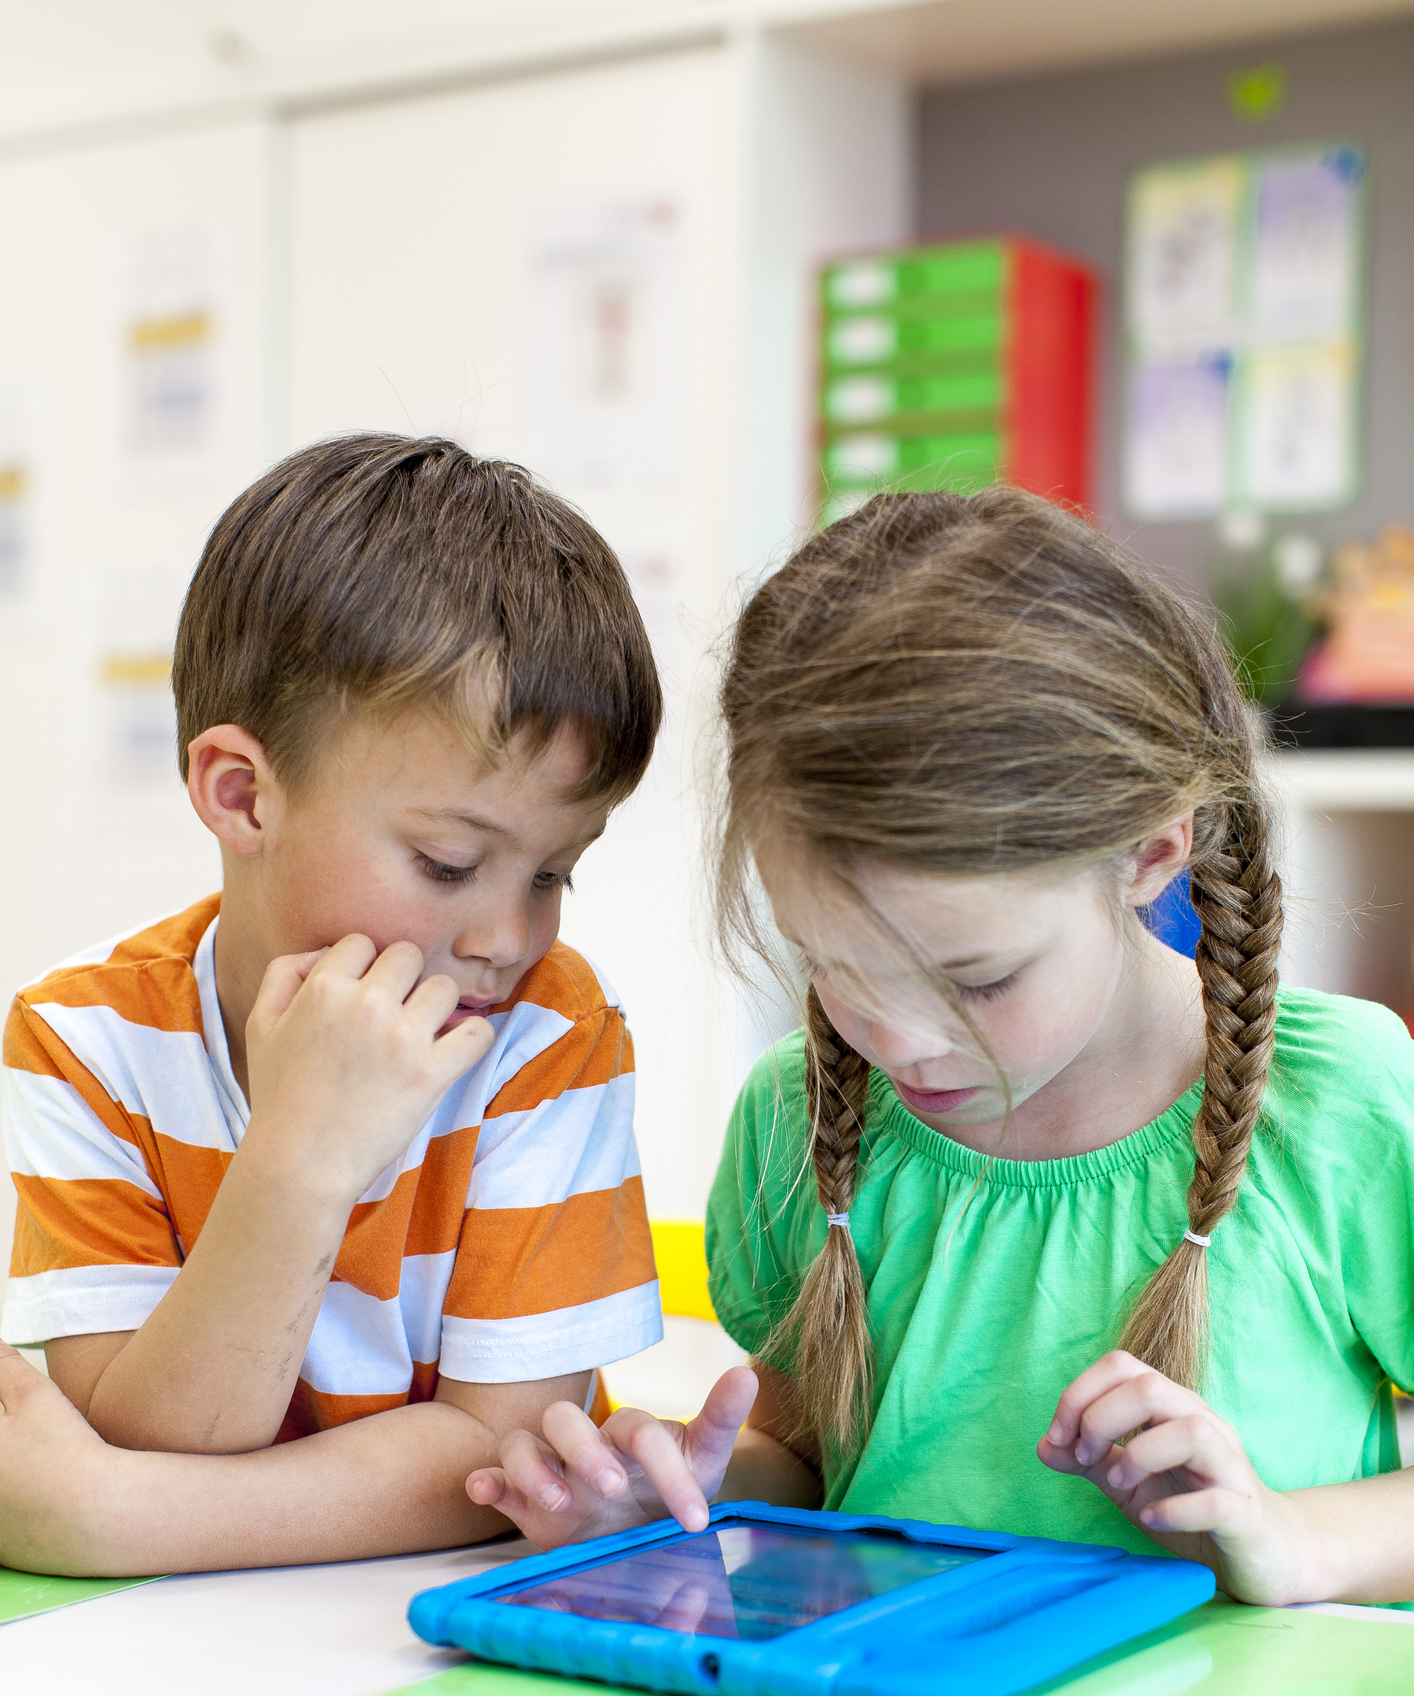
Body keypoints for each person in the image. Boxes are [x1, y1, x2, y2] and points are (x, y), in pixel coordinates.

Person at [468, 486, 1414, 1608]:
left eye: (978, 980)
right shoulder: (800, 1113)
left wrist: (1288, 1537)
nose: (900, 1041)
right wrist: (688, 1491)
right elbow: (814, 1459)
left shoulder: (1342, 1102)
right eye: (835, 967)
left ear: (1152, 853)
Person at [0, 434, 663, 1575]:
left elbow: (510, 1460)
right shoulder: (83, 1039)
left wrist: (110, 1517)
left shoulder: (549, 1037)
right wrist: (301, 1160)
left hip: (416, 1622)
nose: (509, 939)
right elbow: (154, 1436)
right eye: (450, 864)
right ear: (243, 795)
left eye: (555, 873)